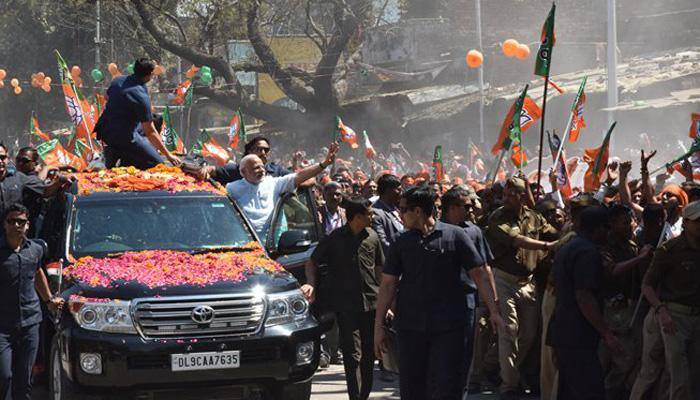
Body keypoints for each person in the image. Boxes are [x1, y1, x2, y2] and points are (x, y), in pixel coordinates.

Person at [373, 186, 503, 400]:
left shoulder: (456, 236)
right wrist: (378, 327)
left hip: (451, 326)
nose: (400, 213)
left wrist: (494, 311)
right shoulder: (401, 242)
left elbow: (479, 274)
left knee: (448, 384)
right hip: (411, 326)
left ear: (418, 212)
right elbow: (388, 285)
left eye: (404, 209)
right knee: (413, 386)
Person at [302, 197, 384, 400]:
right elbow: (311, 262)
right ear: (357, 217)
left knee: (368, 355)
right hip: (346, 305)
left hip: (371, 304)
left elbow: (381, 269)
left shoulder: (372, 237)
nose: (372, 217)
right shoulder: (335, 238)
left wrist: (386, 301)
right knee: (352, 354)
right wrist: (311, 283)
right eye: (369, 214)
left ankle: (363, 395)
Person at [485, 177, 558, 400]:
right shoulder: (497, 217)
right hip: (504, 280)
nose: (505, 199)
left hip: (528, 282)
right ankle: (508, 385)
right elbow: (517, 240)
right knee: (510, 331)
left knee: (529, 334)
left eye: (511, 195)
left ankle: (496, 366)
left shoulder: (534, 217)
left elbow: (553, 232)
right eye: (504, 195)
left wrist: (566, 233)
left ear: (522, 196)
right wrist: (548, 245)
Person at [549, 206, 624, 400]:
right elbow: (584, 297)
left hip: (563, 329)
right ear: (598, 228)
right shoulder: (587, 252)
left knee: (569, 390)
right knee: (589, 389)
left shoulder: (568, 247)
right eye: (606, 228)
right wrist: (606, 333)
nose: (609, 233)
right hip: (577, 333)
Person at [440, 187, 502, 394]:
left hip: (467, 302)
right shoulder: (434, 231)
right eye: (466, 206)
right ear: (452, 208)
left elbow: (485, 268)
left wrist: (493, 301)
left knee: (465, 354)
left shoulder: (474, 231)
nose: (472, 209)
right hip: (437, 304)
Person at [0, 203, 64, 400]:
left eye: (21, 221)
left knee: (25, 379)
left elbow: (37, 273)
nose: (16, 225)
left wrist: (49, 300)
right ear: (5, 224)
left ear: (28, 225)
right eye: (12, 221)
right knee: (5, 376)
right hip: (2, 326)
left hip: (30, 322)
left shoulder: (35, 249)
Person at [641, 200, 700, 400]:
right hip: (674, 318)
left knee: (693, 377)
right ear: (686, 223)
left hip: (696, 318)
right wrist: (661, 310)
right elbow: (647, 285)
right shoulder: (670, 249)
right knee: (678, 376)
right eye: (697, 221)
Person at [227, 143, 338, 240]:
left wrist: (324, 164)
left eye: (262, 167)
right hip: (244, 242)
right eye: (256, 168)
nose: (261, 170)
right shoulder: (231, 188)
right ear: (243, 172)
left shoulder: (274, 183)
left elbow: (300, 175)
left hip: (272, 244)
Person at [96, 58, 181, 169]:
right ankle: (125, 155)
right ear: (149, 75)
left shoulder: (118, 80)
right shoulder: (140, 95)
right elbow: (150, 131)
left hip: (105, 129)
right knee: (157, 164)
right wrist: (168, 155)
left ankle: (128, 152)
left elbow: (107, 97)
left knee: (156, 119)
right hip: (123, 135)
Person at [198, 136, 290, 185]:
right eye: (258, 149)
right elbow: (212, 170)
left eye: (266, 150)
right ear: (250, 151)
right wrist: (205, 170)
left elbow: (297, 179)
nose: (263, 153)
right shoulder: (237, 170)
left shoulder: (277, 171)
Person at [371, 174, 403, 255]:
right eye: (398, 190)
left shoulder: (398, 208)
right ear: (388, 190)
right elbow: (382, 243)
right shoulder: (376, 212)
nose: (401, 193)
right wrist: (402, 254)